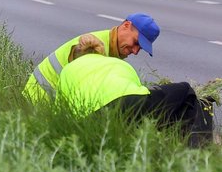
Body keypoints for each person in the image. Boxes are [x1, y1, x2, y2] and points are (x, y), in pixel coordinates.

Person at [58, 34, 214, 147]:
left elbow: (63, 111)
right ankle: (197, 152)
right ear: (100, 53)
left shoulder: (66, 72)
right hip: (131, 103)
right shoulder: (116, 63)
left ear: (74, 58)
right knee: (185, 91)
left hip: (93, 119)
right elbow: (139, 93)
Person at [23, 13, 159, 104]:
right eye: (136, 42)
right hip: (39, 98)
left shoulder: (110, 48)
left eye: (140, 48)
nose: (135, 51)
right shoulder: (94, 46)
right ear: (126, 26)